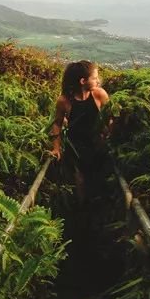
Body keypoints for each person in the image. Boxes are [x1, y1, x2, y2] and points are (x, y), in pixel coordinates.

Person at [49, 60, 110, 202]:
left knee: (98, 179)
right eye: (94, 78)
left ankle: (97, 209)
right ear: (83, 81)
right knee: (80, 181)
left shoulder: (99, 95)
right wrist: (56, 148)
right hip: (76, 148)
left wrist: (109, 134)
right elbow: (57, 124)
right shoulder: (64, 101)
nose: (98, 81)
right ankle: (82, 210)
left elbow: (110, 118)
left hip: (98, 145)